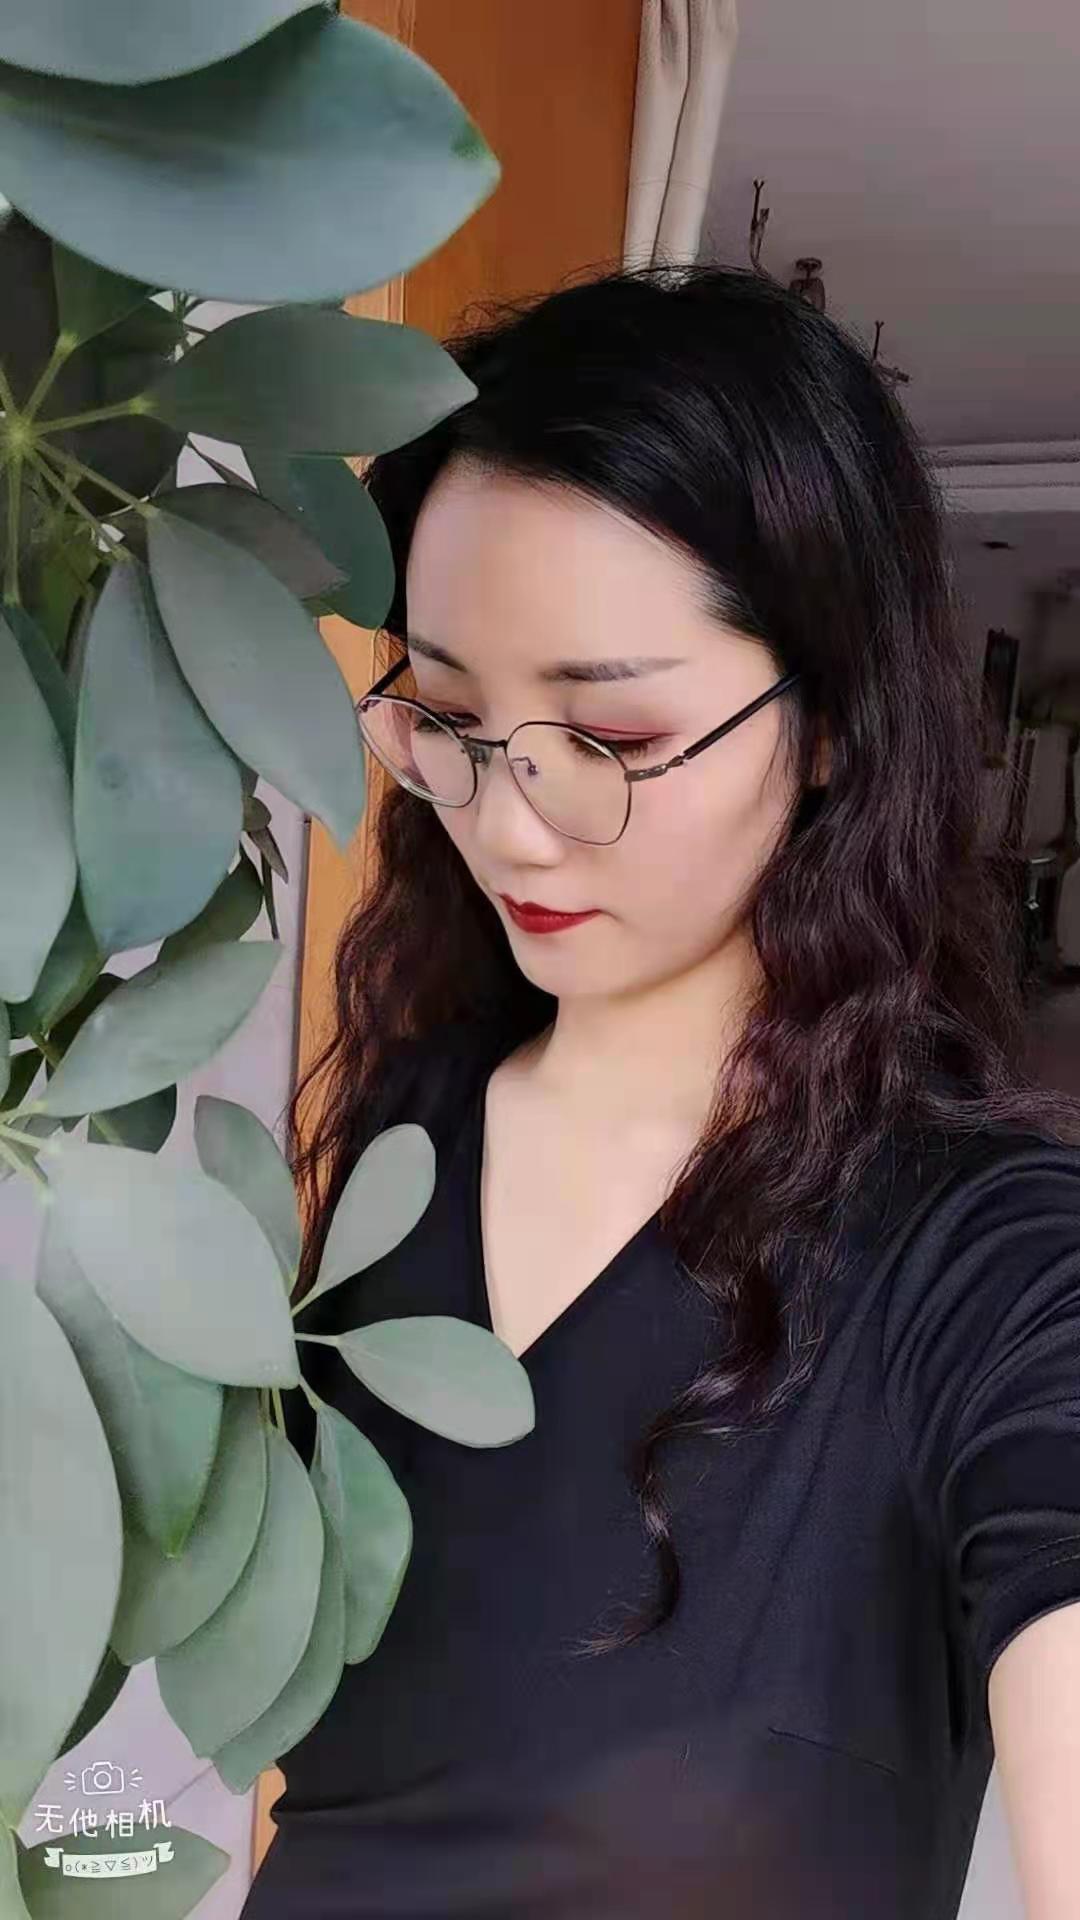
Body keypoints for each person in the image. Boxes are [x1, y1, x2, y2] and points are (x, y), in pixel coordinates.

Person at [245, 263, 1080, 1919]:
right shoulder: (419, 1123)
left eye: (611, 740)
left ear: (830, 721)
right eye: (448, 715)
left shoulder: (989, 1258)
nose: (506, 824)